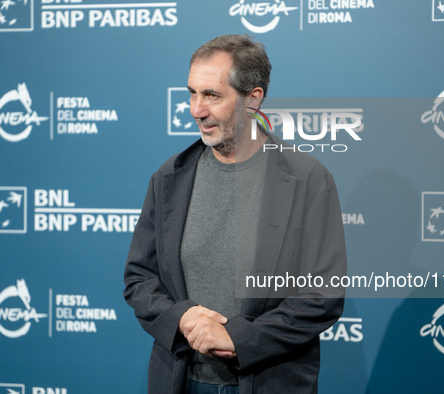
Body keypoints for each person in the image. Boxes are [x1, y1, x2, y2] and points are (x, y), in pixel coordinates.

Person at [124, 34, 346, 394]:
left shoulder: (307, 179)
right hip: (179, 380)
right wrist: (180, 316)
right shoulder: (169, 178)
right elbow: (139, 279)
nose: (197, 109)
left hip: (269, 382)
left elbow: (322, 297)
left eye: (212, 95)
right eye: (192, 93)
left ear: (252, 99)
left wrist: (240, 339)